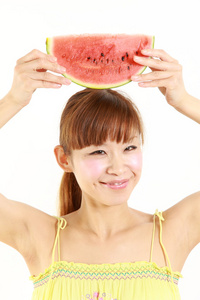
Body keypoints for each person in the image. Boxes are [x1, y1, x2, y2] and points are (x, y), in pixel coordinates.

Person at [0, 48, 199, 300]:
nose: (117, 168)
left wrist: (184, 100)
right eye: (98, 152)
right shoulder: (40, 237)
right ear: (65, 159)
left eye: (129, 147)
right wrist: (12, 100)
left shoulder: (170, 234)